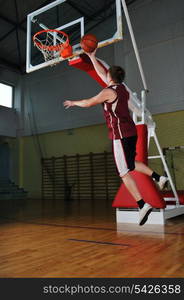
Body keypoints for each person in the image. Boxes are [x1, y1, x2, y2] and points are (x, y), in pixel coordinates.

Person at [63, 50, 168, 226]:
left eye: (107, 75)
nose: (104, 76)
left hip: (119, 135)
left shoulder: (108, 92)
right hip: (131, 132)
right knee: (131, 163)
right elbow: (101, 73)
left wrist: (74, 103)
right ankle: (159, 178)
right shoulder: (123, 90)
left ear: (110, 77)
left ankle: (142, 205)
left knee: (123, 172)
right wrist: (91, 57)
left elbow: (89, 102)